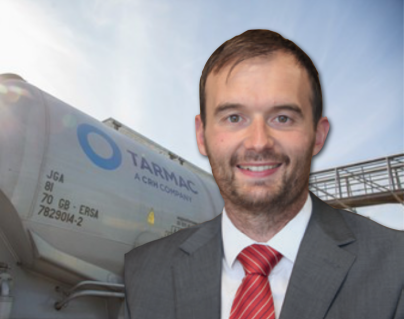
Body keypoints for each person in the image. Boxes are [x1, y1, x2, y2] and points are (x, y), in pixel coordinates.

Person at [123, 29, 404, 319]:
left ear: (318, 136)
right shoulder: (143, 275)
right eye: (234, 118)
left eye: (282, 118)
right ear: (202, 135)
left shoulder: (397, 269)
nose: (258, 142)